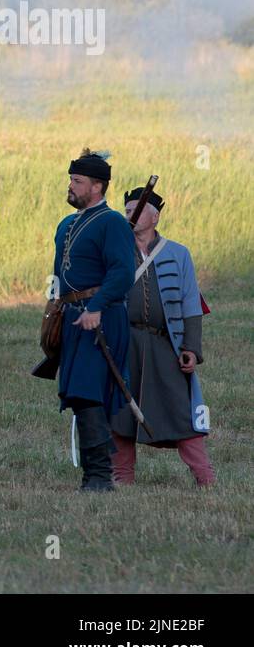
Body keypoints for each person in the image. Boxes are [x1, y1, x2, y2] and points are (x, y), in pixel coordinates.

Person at [110, 186, 214, 486]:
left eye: (136, 210)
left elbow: (191, 303)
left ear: (154, 217)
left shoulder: (178, 253)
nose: (130, 215)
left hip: (163, 343)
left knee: (182, 411)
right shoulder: (114, 250)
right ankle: (122, 477)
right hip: (124, 342)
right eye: (127, 211)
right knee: (120, 413)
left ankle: (205, 477)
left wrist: (191, 348)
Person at [51, 149, 136, 492]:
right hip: (73, 317)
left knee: (89, 394)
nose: (71, 186)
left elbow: (122, 272)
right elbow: (60, 273)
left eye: (78, 181)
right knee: (79, 395)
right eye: (71, 179)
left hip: (100, 318)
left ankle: (99, 477)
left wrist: (97, 307)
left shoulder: (112, 222)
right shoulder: (67, 223)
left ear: (97, 187)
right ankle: (95, 475)